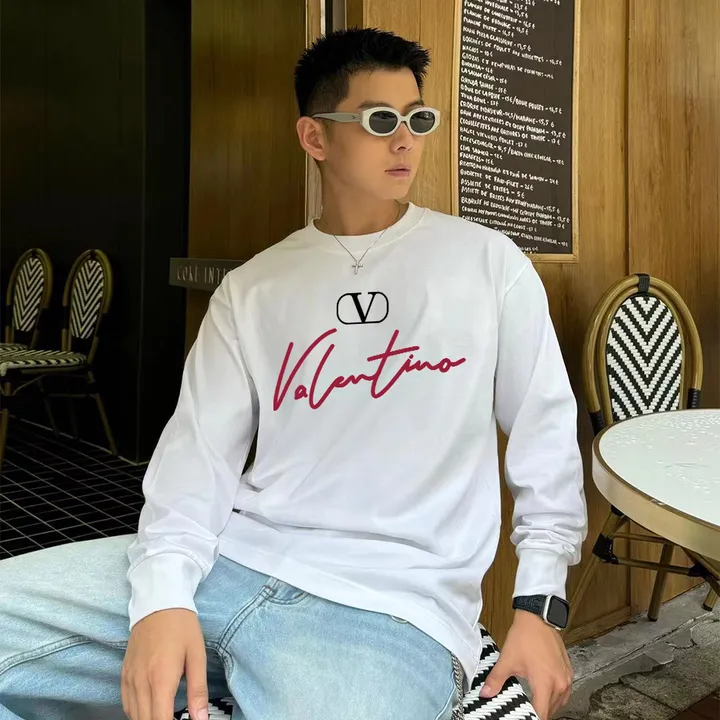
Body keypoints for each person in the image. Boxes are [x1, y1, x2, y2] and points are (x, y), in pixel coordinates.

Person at [0, 27, 587, 720]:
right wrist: (162, 597)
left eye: (418, 119)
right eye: (380, 120)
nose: (406, 140)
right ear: (315, 137)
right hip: (228, 563)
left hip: (389, 610)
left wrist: (540, 606)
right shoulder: (254, 288)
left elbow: (546, 436)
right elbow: (196, 458)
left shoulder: (488, 265)